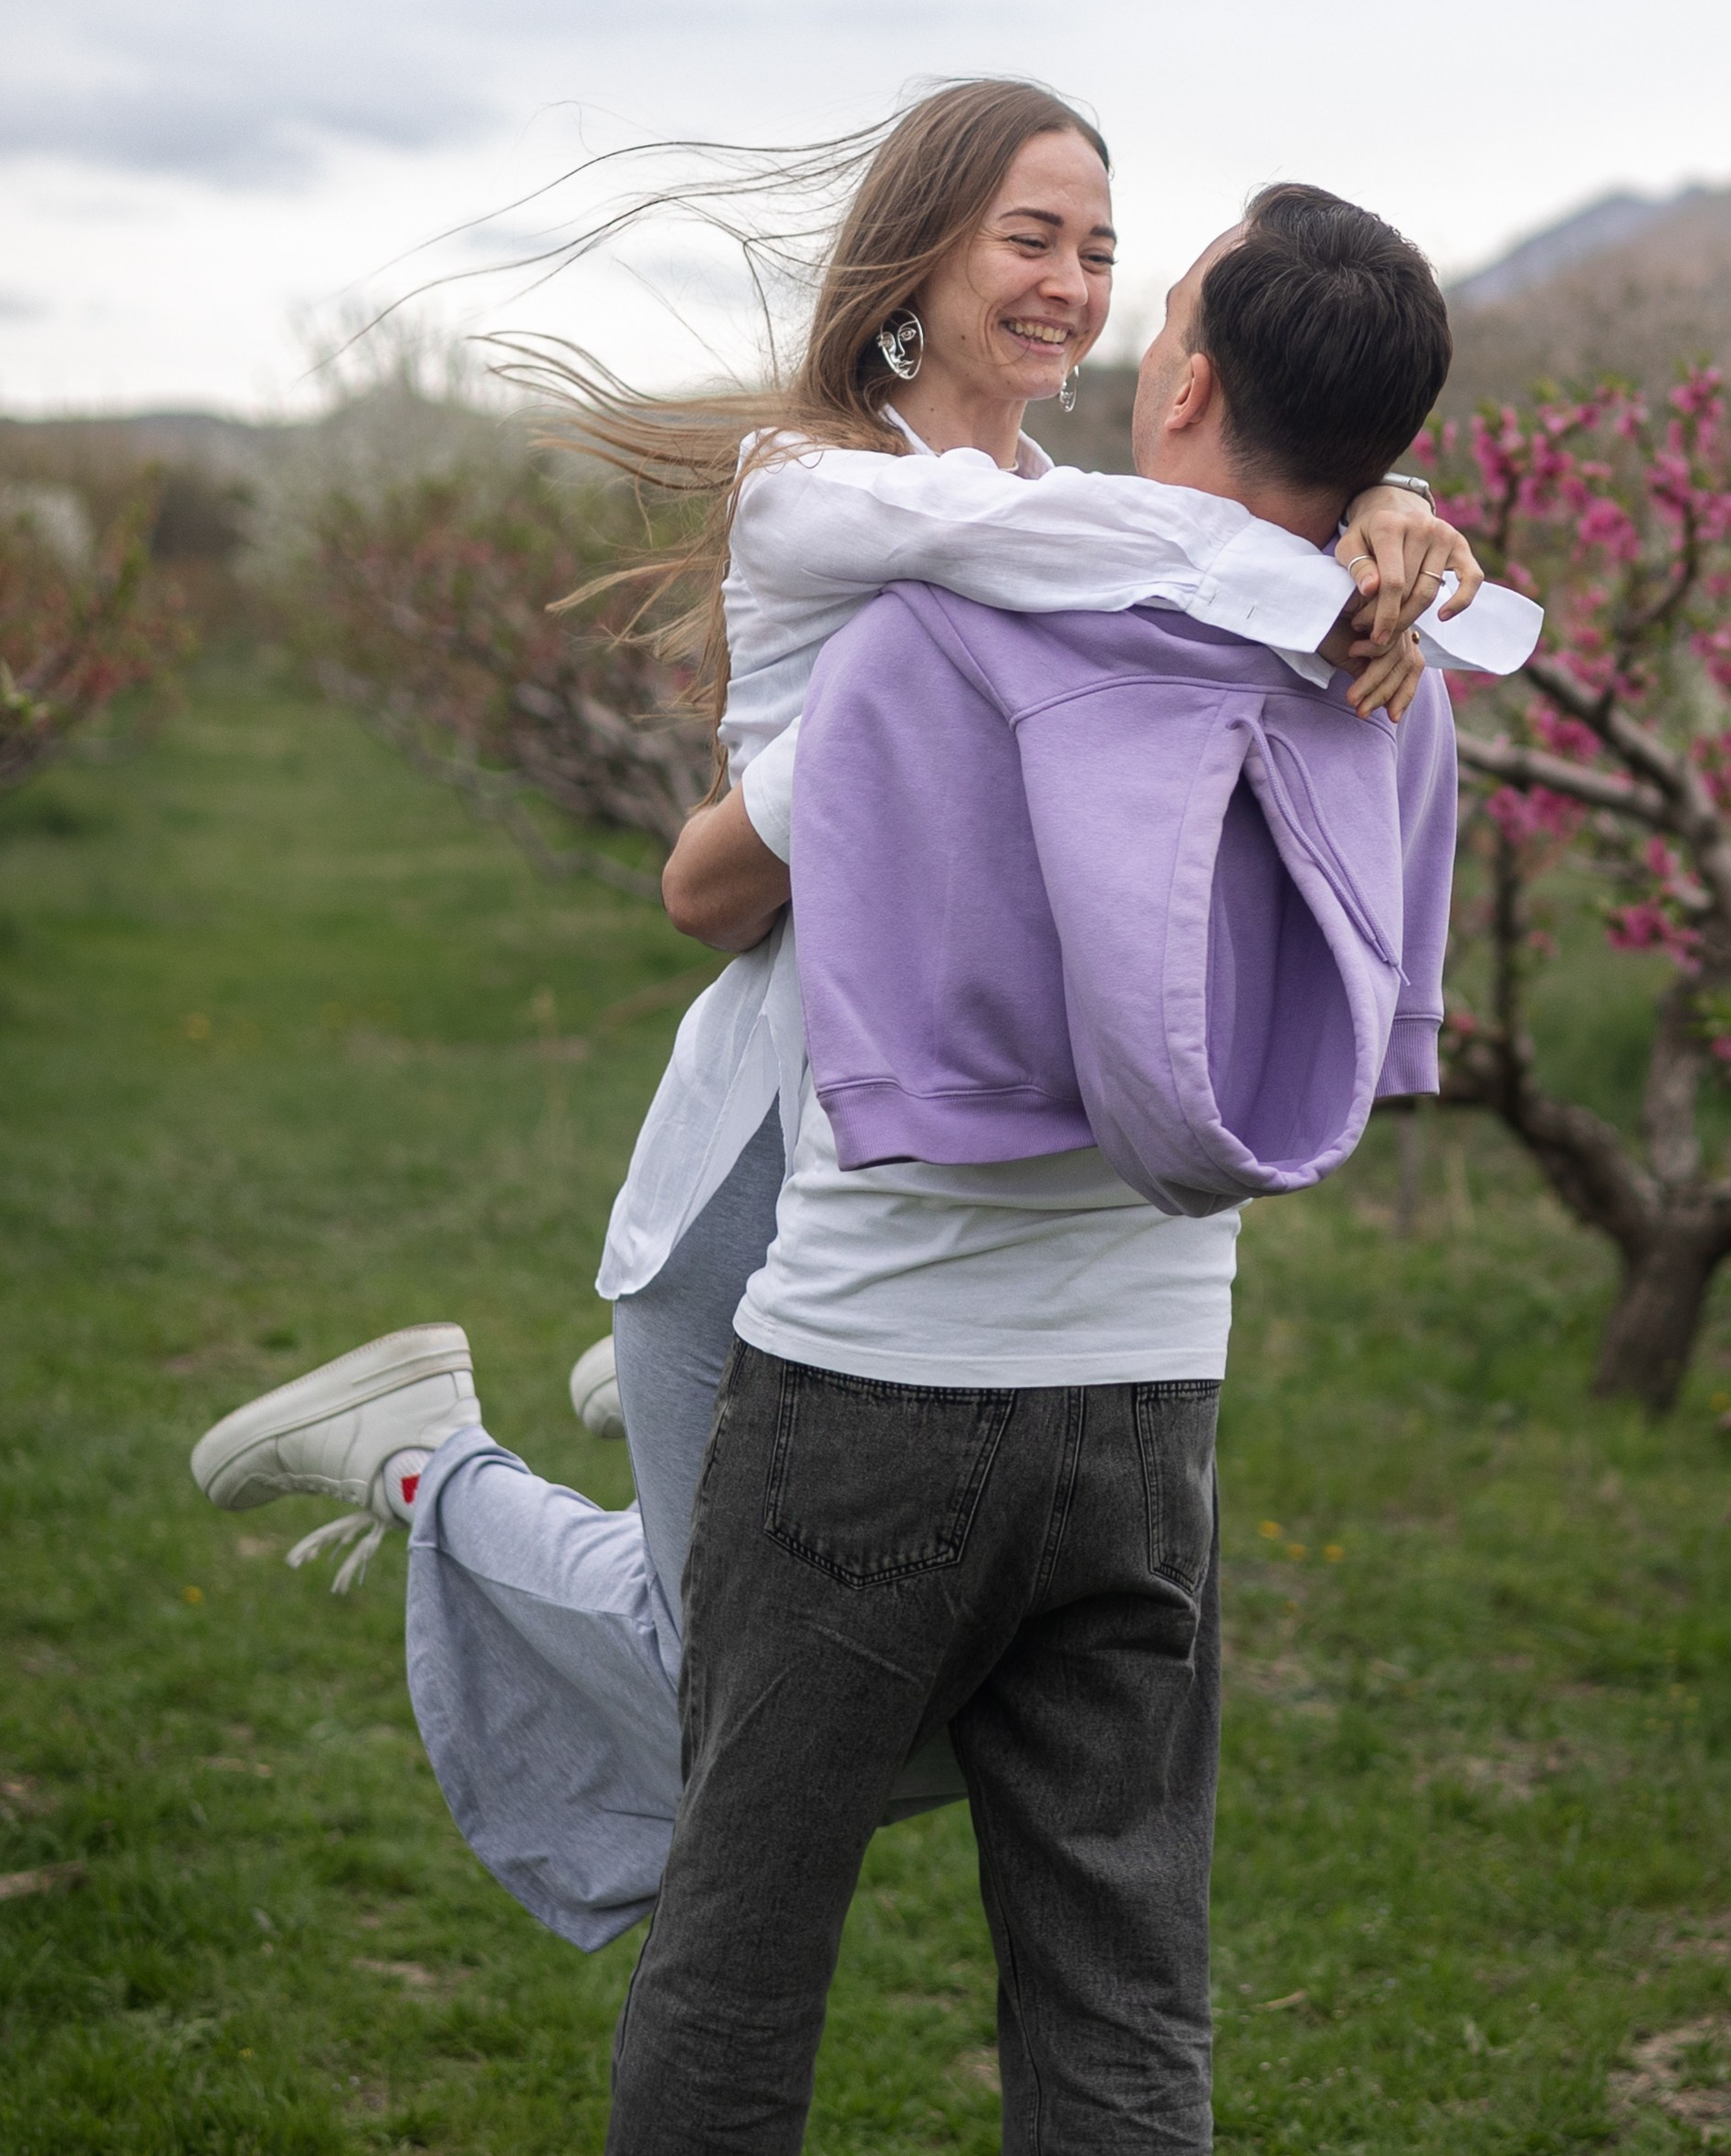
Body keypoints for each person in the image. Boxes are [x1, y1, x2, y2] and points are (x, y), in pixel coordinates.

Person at [186, 83, 1493, 1958]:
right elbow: (1135, 566)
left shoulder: (1076, 509)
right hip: (778, 1153)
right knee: (759, 1706)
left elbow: (1171, 540)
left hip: (919, 1150)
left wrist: (1369, 495)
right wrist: (1361, 518)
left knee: (912, 1691)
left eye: (1102, 252)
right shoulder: (830, 487)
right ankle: (429, 1465)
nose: (1069, 282)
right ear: (923, 252)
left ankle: (618, 1428)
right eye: (1028, 238)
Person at [600, 185, 1479, 2152]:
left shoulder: (942, 640)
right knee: (1121, 1989)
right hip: (1154, 1401)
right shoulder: (1398, 680)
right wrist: (1371, 516)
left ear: (1179, 382)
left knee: (740, 1961)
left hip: (874, 1375)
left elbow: (712, 882)